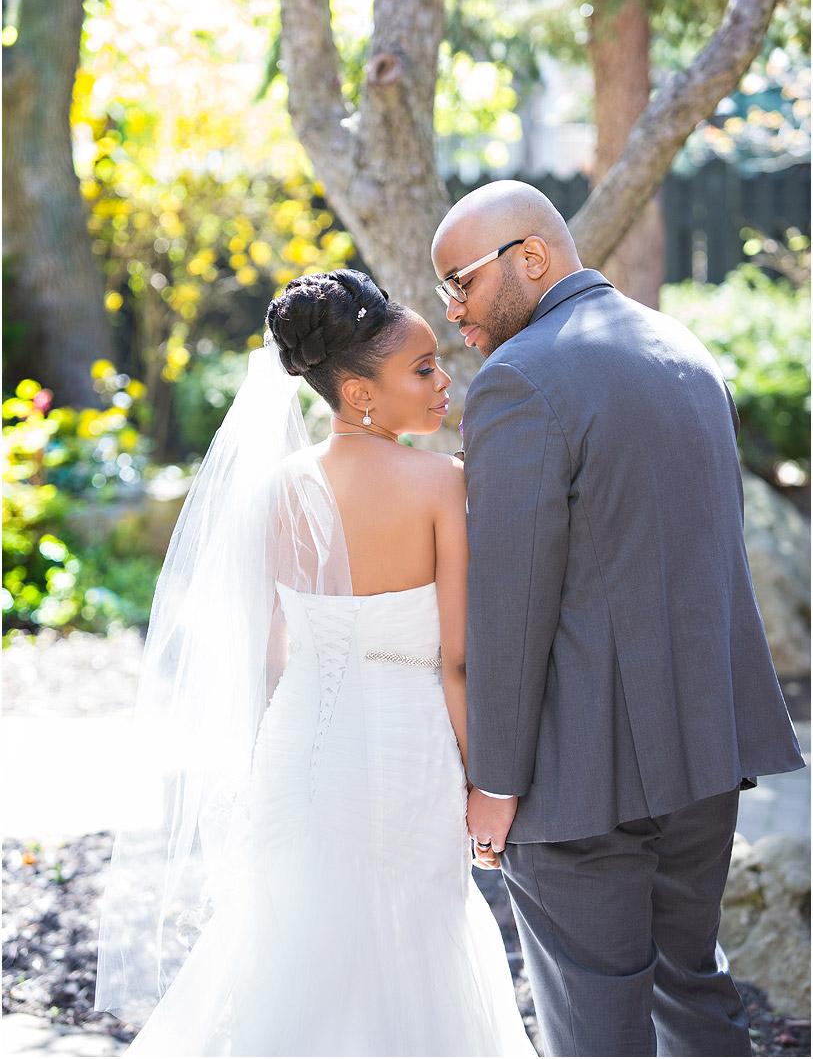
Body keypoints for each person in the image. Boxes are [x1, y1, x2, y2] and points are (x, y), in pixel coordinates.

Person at [94, 269, 536, 1057]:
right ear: (361, 394)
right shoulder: (442, 484)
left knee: (292, 936)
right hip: (407, 747)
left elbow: (269, 653)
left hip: (297, 745)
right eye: (423, 369)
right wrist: (484, 783)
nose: (443, 383)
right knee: (407, 937)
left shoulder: (273, 490)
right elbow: (462, 658)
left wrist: (263, 762)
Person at [431, 179, 805, 1059]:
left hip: (581, 775)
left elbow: (511, 606)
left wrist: (493, 782)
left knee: (595, 1025)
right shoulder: (681, 347)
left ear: (531, 257)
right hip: (702, 754)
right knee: (692, 992)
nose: (452, 311)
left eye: (461, 282)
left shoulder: (517, 380)